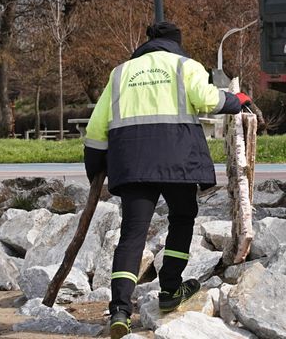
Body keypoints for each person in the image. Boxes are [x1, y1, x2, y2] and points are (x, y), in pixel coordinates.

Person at [83, 21, 251, 339]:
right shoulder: (186, 66)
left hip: (132, 162)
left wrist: (95, 170)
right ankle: (170, 289)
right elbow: (209, 100)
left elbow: (95, 129)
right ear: (176, 42)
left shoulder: (120, 73)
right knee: (182, 218)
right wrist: (237, 100)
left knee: (132, 234)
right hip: (178, 161)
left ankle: (120, 311)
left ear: (147, 43)